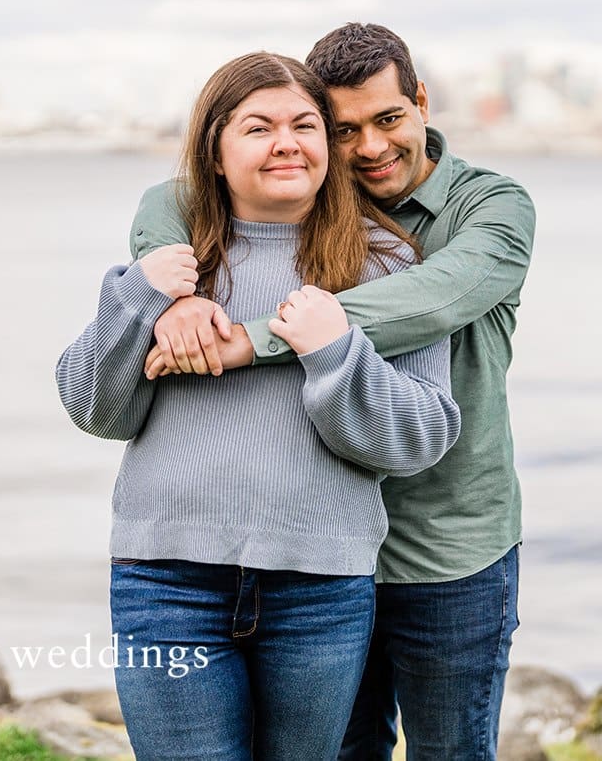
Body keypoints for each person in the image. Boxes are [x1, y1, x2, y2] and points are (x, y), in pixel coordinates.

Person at [129, 24, 535, 760]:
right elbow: (175, 194)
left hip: (444, 546)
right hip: (321, 555)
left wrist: (256, 337)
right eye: (343, 129)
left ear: (421, 101)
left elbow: (430, 297)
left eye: (388, 119)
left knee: (451, 750)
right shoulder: (319, 190)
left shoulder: (492, 209)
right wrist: (168, 277)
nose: (371, 147)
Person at [56, 51, 461, 761]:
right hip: (166, 582)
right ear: (213, 150)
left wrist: (335, 352)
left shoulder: (390, 265)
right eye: (258, 126)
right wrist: (140, 297)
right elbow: (97, 409)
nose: (286, 142)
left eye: (306, 124)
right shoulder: (168, 270)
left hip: (321, 590)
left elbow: (422, 437)